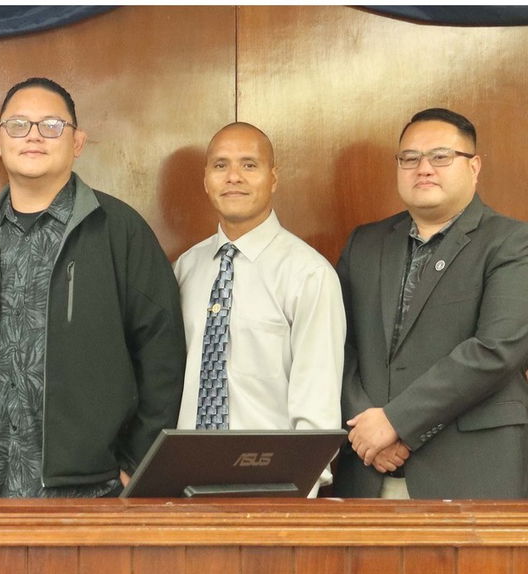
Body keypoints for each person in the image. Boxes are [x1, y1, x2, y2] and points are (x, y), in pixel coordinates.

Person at [0, 77, 184, 498]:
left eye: (51, 125)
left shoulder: (119, 231)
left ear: (78, 142)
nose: (33, 136)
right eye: (18, 125)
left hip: (91, 492)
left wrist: (137, 461)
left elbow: (163, 351)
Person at [339, 108, 528, 499]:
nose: (423, 168)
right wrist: (366, 430)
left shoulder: (512, 243)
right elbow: (338, 344)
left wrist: (397, 422)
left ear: (474, 167)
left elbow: (496, 350)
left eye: (441, 156)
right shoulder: (365, 244)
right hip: (367, 466)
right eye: (409, 158)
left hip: (471, 469)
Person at [172, 122, 344, 494]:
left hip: (272, 486)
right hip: (187, 485)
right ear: (205, 179)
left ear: (273, 178)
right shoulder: (186, 267)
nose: (233, 177)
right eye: (220, 166)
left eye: (249, 165)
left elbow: (318, 406)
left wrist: (299, 495)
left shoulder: (308, 274)